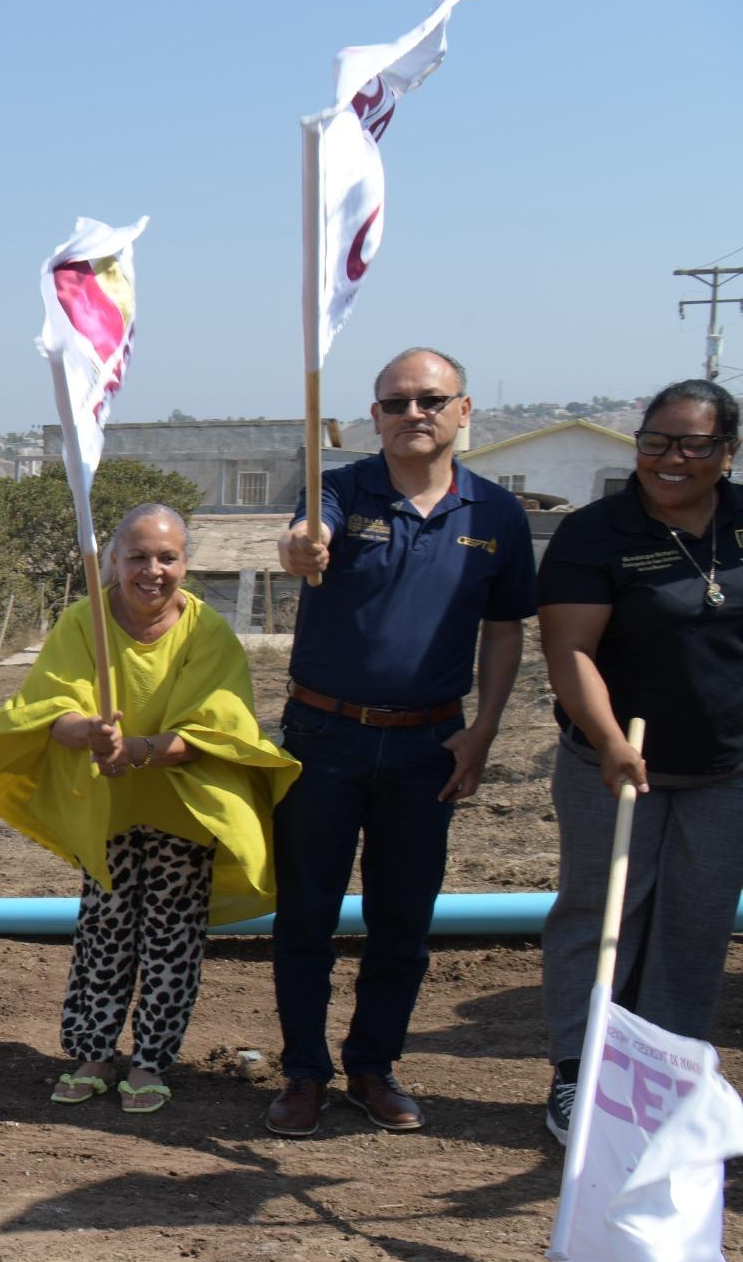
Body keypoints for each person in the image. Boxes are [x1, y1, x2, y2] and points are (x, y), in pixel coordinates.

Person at [263, 347, 535, 1137]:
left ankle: (373, 1067)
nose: (412, 413)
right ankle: (303, 1072)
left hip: (428, 746)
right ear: (374, 416)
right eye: (395, 402)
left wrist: (482, 731)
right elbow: (305, 537)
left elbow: (505, 630)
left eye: (429, 399)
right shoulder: (340, 488)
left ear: (463, 410)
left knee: (403, 921)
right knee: (306, 915)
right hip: (324, 737)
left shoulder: (496, 516)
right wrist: (303, 548)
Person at [0, 506, 298, 1114]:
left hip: (183, 809)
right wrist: (88, 731)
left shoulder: (207, 632)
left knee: (173, 937)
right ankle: (92, 1052)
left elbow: (212, 728)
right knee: (104, 931)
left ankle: (151, 1060)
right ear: (113, 560)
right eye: (138, 556)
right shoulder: (84, 620)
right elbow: (47, 707)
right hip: (108, 811)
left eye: (167, 557)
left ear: (185, 565)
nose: (152, 570)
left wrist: (137, 750)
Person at [534, 378, 743, 1145]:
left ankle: (668, 1073)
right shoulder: (596, 533)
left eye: (694, 444)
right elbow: (569, 651)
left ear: (727, 451)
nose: (671, 459)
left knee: (697, 923)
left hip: (726, 772)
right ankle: (578, 1072)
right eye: (655, 441)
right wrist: (611, 739)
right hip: (612, 764)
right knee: (602, 914)